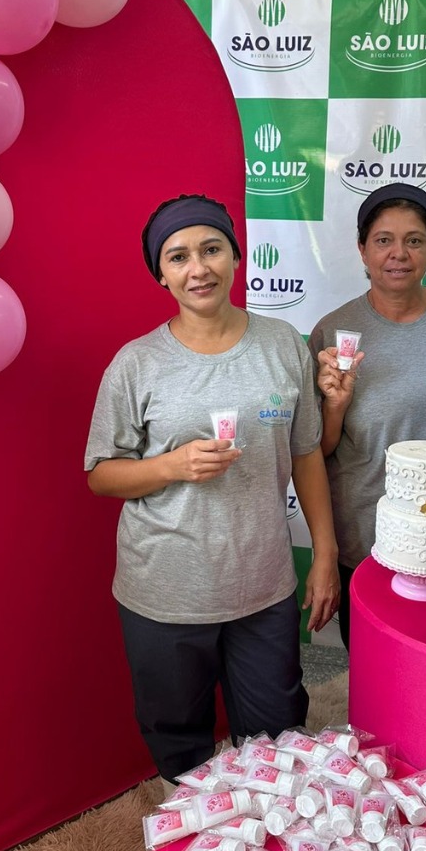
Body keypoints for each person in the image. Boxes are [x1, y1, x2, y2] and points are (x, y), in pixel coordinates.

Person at [86, 193, 339, 786]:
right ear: (161, 274)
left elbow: (306, 453)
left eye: (211, 249)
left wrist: (325, 554)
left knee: (277, 737)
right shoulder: (136, 363)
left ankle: (268, 833)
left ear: (235, 257)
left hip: (262, 581)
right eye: (177, 257)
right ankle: (195, 833)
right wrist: (171, 466)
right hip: (165, 587)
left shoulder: (282, 344)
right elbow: (100, 474)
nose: (197, 268)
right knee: (179, 741)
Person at [309, 183, 426, 648]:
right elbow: (317, 450)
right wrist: (336, 405)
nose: (399, 253)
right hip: (366, 538)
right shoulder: (332, 333)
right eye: (383, 240)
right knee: (377, 672)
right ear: (362, 249)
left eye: (414, 240)